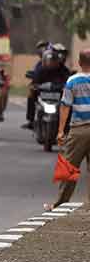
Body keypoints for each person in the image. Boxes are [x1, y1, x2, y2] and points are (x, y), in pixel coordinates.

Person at [46, 49, 90, 210]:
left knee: (69, 166)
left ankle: (60, 202)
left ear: (79, 63)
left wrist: (60, 131)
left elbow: (65, 106)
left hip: (78, 129)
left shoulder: (72, 80)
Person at [23, 48, 72, 129]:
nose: (51, 63)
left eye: (53, 60)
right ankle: (31, 120)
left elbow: (69, 81)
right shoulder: (41, 70)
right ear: (44, 61)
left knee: (70, 102)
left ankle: (67, 124)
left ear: (57, 61)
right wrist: (34, 87)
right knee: (30, 95)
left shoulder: (63, 70)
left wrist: (66, 87)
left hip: (58, 96)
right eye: (49, 60)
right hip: (42, 95)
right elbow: (34, 81)